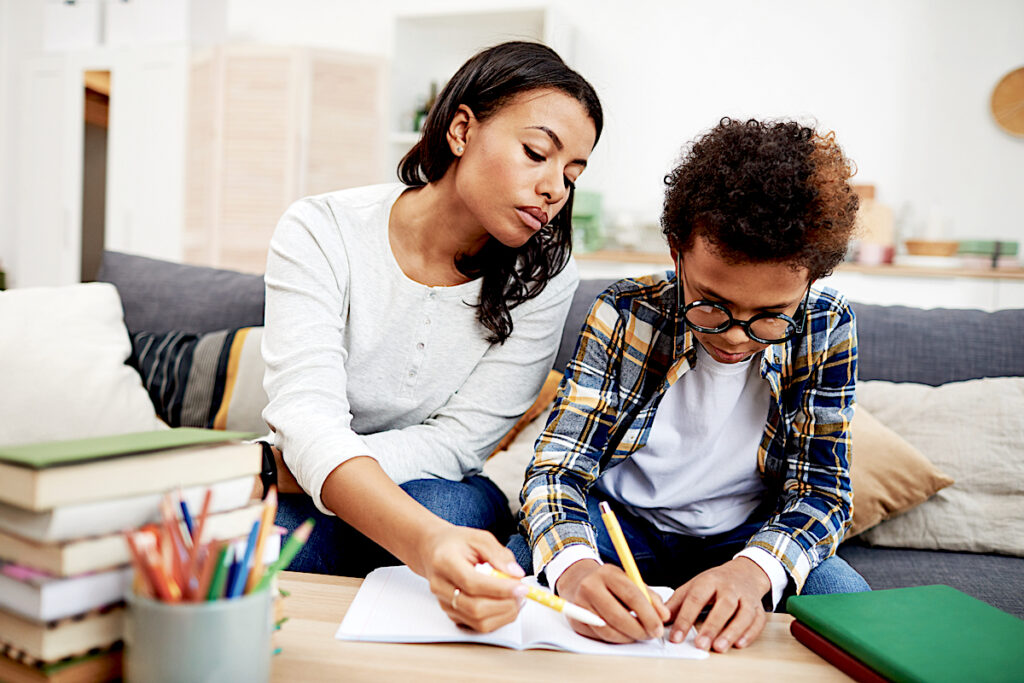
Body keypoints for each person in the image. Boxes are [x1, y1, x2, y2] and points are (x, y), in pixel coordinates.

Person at [259, 41, 602, 632]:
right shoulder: (322, 230)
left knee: (439, 506)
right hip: (325, 478)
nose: (555, 189)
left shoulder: (545, 277)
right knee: (276, 532)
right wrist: (415, 537)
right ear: (462, 129)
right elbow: (307, 413)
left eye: (571, 174)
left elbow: (459, 443)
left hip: (428, 488)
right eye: (536, 153)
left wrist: (288, 470)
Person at [510, 118, 869, 651]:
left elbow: (821, 492)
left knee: (847, 603)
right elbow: (557, 471)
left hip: (746, 538)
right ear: (677, 251)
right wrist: (577, 569)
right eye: (712, 305)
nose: (735, 338)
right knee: (517, 575)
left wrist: (752, 574)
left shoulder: (825, 325)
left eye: (770, 316)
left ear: (811, 280)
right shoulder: (625, 311)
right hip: (620, 526)